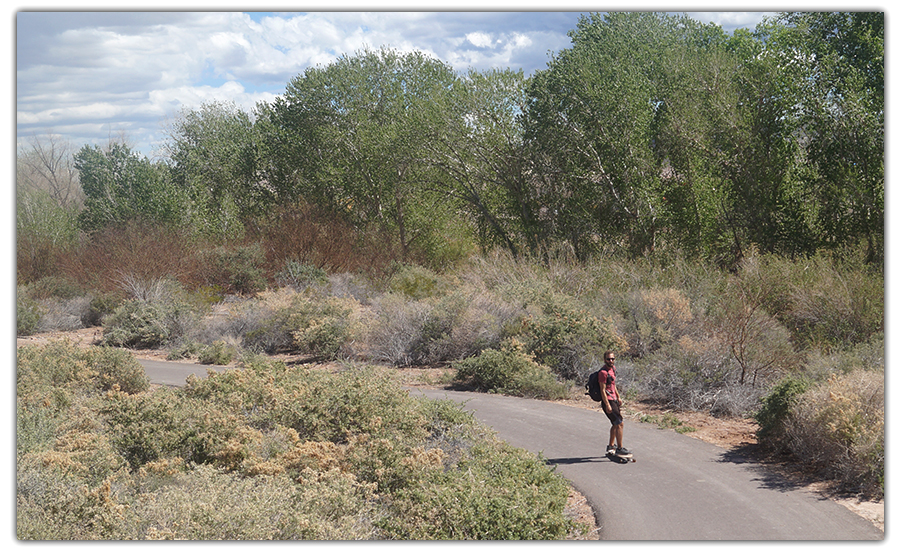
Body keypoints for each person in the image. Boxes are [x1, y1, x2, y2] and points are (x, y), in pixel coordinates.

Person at [599, 351, 631, 457]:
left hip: (614, 399)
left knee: (615, 423)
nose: (611, 361)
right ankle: (620, 448)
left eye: (612, 359)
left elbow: (613, 385)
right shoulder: (603, 373)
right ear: (604, 360)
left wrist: (618, 396)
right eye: (608, 359)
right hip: (608, 401)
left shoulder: (613, 369)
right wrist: (607, 404)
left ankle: (611, 446)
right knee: (619, 423)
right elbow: (602, 390)